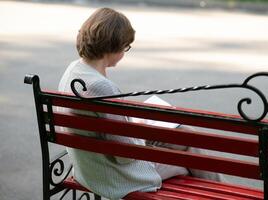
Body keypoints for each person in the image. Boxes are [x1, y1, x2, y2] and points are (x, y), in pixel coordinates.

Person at [58, 7, 223, 200]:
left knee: (184, 136)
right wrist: (140, 132)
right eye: (126, 47)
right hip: (117, 176)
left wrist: (136, 129)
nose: (124, 52)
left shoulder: (74, 71)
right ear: (114, 46)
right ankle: (223, 194)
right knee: (191, 158)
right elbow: (125, 155)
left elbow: (106, 132)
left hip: (90, 166)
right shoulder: (102, 87)